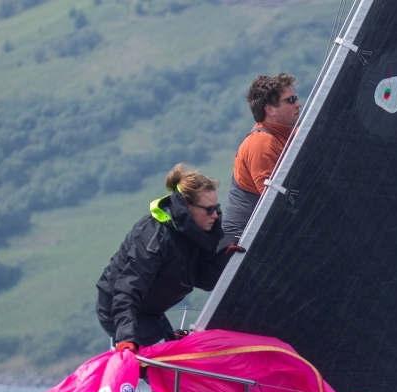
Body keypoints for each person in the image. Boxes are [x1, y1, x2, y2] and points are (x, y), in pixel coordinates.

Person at [96, 164, 226, 350]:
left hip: (149, 310)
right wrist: (126, 337)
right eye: (208, 209)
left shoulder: (195, 234)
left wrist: (223, 257)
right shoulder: (154, 238)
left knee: (177, 358)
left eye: (217, 208)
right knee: (165, 365)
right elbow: (126, 290)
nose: (215, 215)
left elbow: (204, 280)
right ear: (187, 207)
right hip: (119, 309)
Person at [222, 73, 302, 240]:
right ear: (270, 110)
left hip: (266, 235)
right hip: (244, 243)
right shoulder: (261, 143)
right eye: (290, 100)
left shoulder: (291, 134)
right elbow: (275, 205)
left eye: (296, 98)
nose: (298, 104)